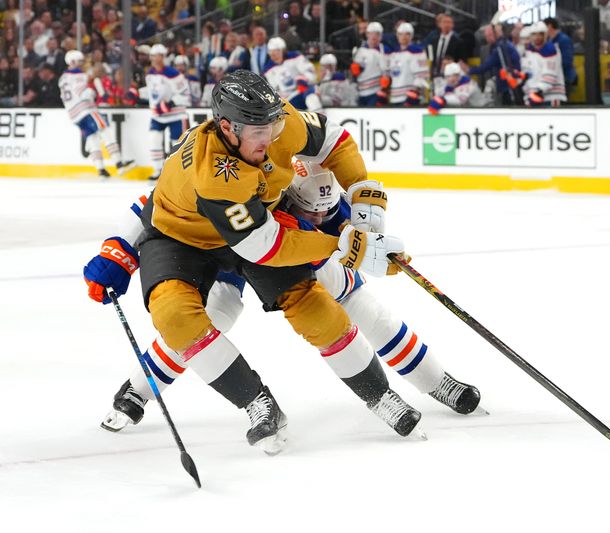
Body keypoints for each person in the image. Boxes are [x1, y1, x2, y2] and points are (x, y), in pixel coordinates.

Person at [83, 70, 418, 453]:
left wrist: (359, 190)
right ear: (228, 128)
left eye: (274, 126)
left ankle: (380, 395)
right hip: (184, 239)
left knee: (311, 304)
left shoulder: (276, 123)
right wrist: (119, 248)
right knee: (177, 318)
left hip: (254, 227)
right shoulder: (213, 174)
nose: (272, 138)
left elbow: (334, 140)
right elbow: (265, 246)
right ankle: (255, 402)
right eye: (261, 132)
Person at [97, 160, 481, 434]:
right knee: (208, 318)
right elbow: (152, 202)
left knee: (361, 305)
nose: (320, 218)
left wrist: (378, 248)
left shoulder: (323, 197)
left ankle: (437, 381)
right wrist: (119, 249)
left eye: (326, 212)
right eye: (309, 212)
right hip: (225, 250)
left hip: (285, 253)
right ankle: (139, 389)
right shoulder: (250, 178)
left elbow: (348, 232)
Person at [58, 50, 133, 177]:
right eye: (81, 61)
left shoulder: (63, 78)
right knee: (106, 130)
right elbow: (84, 94)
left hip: (73, 115)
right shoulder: (79, 76)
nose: (83, 64)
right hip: (86, 110)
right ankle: (119, 163)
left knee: (92, 138)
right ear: (73, 62)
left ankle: (101, 169)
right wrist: (94, 90)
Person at [145, 43, 190, 180]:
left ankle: (178, 172)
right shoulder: (150, 74)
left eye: (156, 55)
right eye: (152, 55)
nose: (154, 58)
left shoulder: (173, 73)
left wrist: (169, 104)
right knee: (154, 139)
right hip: (157, 114)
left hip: (175, 115)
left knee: (177, 143)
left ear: (163, 56)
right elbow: (153, 94)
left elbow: (185, 93)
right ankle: (157, 170)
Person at [263, 37, 323, 111]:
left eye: (277, 52)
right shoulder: (268, 70)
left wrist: (304, 80)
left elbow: (311, 73)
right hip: (290, 99)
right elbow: (274, 90)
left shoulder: (295, 57)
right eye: (272, 53)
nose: (274, 56)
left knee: (311, 95)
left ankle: (319, 113)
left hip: (304, 91)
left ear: (283, 50)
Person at [469, 24, 522, 106]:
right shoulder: (507, 44)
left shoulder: (500, 48)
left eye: (488, 36)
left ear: (493, 34)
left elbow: (485, 66)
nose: (487, 39)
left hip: (508, 87)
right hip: (512, 84)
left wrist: (469, 70)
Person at [519, 22, 567, 107]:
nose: (537, 37)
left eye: (540, 34)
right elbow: (527, 73)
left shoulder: (550, 50)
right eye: (534, 34)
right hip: (532, 96)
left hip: (551, 97)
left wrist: (538, 91)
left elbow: (550, 75)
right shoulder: (528, 52)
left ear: (545, 35)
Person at [350, 21, 392, 106]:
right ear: (367, 34)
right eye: (372, 33)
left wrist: (385, 88)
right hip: (361, 91)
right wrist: (355, 70)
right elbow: (355, 73)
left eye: (377, 34)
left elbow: (388, 72)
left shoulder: (386, 50)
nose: (374, 36)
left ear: (381, 36)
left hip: (377, 92)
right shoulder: (360, 51)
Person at [387, 22, 429, 107]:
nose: (404, 37)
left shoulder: (417, 52)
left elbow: (422, 76)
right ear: (397, 36)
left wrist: (414, 92)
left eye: (407, 34)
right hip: (395, 97)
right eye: (401, 34)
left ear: (411, 36)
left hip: (410, 97)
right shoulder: (394, 54)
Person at [427, 13, 466, 80]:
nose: (447, 25)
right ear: (440, 24)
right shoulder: (434, 41)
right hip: (434, 76)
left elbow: (462, 61)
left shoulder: (459, 42)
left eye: (449, 22)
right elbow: (431, 58)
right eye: (444, 22)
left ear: (452, 25)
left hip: (451, 76)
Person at [544, 18, 577, 91]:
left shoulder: (564, 40)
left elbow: (567, 61)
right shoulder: (549, 40)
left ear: (549, 26)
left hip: (565, 78)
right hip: (554, 78)